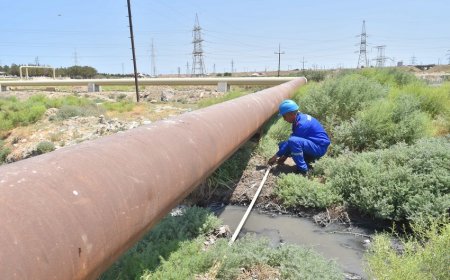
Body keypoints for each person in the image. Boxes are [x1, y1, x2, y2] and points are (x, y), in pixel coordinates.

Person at [268, 99, 330, 174]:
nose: (284, 119)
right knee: (283, 144)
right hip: (313, 144)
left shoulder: (302, 124)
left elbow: (292, 142)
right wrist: (284, 157)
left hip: (319, 148)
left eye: (284, 116)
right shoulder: (299, 118)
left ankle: (304, 170)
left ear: (291, 114)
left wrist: (276, 157)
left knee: (292, 142)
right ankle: (308, 160)